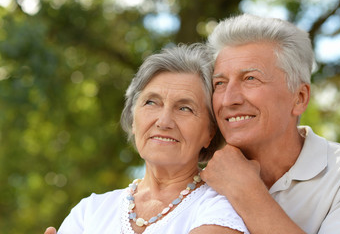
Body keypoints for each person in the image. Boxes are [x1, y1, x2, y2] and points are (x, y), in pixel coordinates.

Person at [45, 44, 249, 234]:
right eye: (151, 102)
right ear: (133, 119)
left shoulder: (222, 204)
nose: (164, 121)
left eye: (184, 108)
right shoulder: (89, 211)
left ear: (210, 132)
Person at [200, 13, 340, 234]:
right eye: (220, 83)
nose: (229, 99)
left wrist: (246, 191)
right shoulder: (200, 182)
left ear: (299, 98)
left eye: (250, 79)